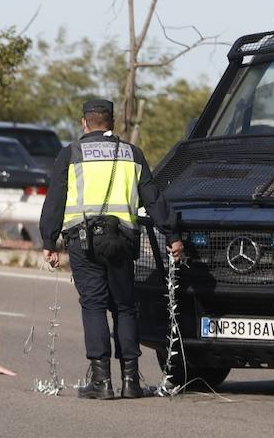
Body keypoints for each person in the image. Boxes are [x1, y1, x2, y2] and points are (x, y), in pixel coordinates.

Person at [39, 97, 184, 400]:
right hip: (123, 241)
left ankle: (101, 381)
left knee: (93, 305)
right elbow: (154, 199)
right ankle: (131, 380)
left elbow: (55, 199)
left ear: (84, 123)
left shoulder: (71, 154)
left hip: (84, 241)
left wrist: (48, 241)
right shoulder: (132, 153)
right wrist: (172, 235)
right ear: (112, 123)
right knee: (124, 306)